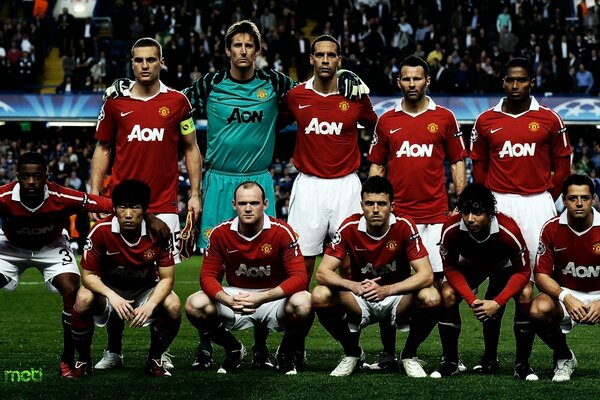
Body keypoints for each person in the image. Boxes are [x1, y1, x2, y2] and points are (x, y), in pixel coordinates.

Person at [102, 19, 367, 371]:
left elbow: (315, 86)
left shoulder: (274, 83)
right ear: (228, 50)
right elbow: (170, 102)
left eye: (249, 46)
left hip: (258, 180)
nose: (243, 51)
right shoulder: (210, 84)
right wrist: (127, 87)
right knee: (216, 263)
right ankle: (209, 345)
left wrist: (347, 75)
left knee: (263, 263)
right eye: (237, 46)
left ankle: (260, 347)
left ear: (257, 51)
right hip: (217, 182)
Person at [91, 37, 201, 371]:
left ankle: (158, 352)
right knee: (115, 276)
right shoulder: (115, 105)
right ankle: (114, 350)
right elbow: (104, 148)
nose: (144, 66)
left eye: (151, 60)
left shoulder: (178, 103)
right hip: (122, 205)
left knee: (159, 282)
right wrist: (97, 194)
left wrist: (195, 193)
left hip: (164, 205)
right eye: (138, 60)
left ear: (161, 62)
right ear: (131, 62)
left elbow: (191, 148)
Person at [368, 55, 468, 375]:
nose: (412, 84)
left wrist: (460, 202)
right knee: (390, 283)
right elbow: (377, 166)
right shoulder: (386, 121)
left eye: (417, 78)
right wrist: (373, 205)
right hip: (397, 218)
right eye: (406, 79)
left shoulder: (445, 118)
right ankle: (387, 354)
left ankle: (436, 355)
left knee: (439, 289)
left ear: (427, 81)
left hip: (435, 217)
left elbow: (457, 162)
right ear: (399, 82)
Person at [471, 57, 571, 372]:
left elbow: (563, 164)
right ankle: (489, 358)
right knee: (498, 281)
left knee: (529, 284)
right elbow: (479, 165)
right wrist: (488, 203)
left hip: (537, 204)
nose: (516, 86)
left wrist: (547, 199)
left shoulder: (550, 119)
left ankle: (523, 361)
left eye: (522, 80)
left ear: (532, 82)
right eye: (510, 80)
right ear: (503, 82)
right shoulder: (486, 120)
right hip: (499, 205)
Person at [311, 176, 438, 377]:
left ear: (392, 206)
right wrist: (354, 286)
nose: (375, 209)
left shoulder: (405, 225)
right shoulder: (349, 227)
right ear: (362, 205)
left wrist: (386, 290)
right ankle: (352, 353)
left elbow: (426, 275)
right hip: (361, 296)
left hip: (397, 297)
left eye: (381, 204)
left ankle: (408, 355)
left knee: (431, 297)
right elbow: (322, 272)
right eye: (370, 203)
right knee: (319, 295)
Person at [0, 152, 112, 378]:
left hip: (51, 246)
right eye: (25, 176)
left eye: (37, 176)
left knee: (72, 289)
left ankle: (69, 358)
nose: (31, 182)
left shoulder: (62, 195)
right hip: (10, 247)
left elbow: (108, 204)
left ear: (46, 176)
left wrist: (148, 217)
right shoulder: (3, 196)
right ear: (17, 176)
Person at [184, 181, 312, 375]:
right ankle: (234, 348)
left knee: (306, 301)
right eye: (243, 204)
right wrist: (227, 299)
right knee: (194, 304)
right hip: (237, 296)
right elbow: (207, 276)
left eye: (254, 203)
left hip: (272, 297)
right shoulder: (220, 233)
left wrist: (263, 298)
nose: (248, 208)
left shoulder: (282, 231)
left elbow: (300, 277)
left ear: (266, 204)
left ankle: (285, 353)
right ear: (234, 204)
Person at [70, 180, 181, 378]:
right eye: (122, 207)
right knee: (83, 298)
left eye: (135, 207)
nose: (128, 214)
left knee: (173, 304)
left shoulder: (159, 233)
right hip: (109, 289)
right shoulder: (100, 231)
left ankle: (154, 359)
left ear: (145, 210)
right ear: (114, 208)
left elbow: (167, 278)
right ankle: (84, 361)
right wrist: (112, 295)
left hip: (144, 289)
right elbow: (87, 276)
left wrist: (150, 305)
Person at [432, 183, 535, 380]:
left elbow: (523, 270)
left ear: (490, 213)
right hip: (470, 265)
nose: (470, 219)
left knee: (526, 294)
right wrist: (471, 300)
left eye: (477, 212)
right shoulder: (451, 228)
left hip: (504, 266)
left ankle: (521, 363)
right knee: (446, 294)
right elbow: (450, 268)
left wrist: (498, 301)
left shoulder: (508, 229)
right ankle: (451, 361)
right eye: (466, 212)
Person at [531, 174, 600, 382]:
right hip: (568, 293)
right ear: (563, 199)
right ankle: (563, 356)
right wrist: (565, 297)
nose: (579, 203)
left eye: (585, 198)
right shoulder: (551, 228)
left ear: (594, 199)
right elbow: (541, 274)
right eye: (573, 198)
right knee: (537, 309)